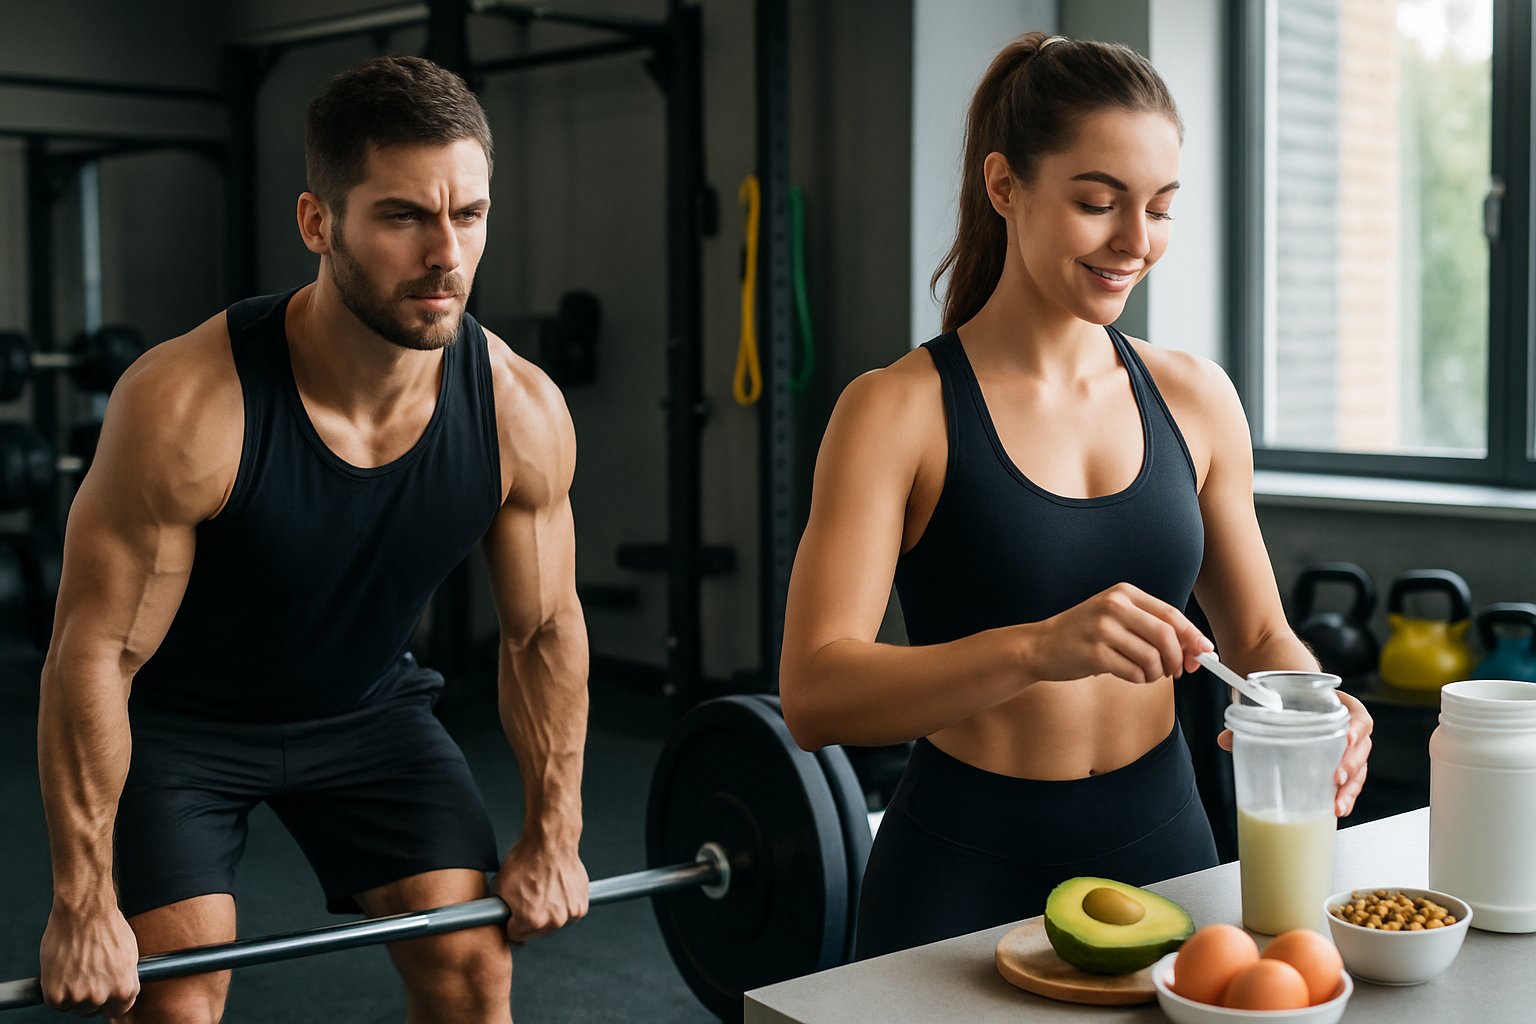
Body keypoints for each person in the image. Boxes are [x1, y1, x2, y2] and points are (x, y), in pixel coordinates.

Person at [777, 32, 1374, 960]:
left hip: (1166, 846)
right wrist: (1040, 647)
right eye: (1098, 203)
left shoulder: (1197, 398)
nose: (1136, 243)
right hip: (961, 868)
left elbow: (1257, 638)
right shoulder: (895, 412)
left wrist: (1314, 707)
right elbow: (815, 691)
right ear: (1005, 186)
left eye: (1161, 209)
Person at [35, 55, 589, 1021]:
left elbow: (541, 633)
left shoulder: (519, 410)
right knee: (173, 995)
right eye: (404, 215)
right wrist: (82, 901)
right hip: (184, 727)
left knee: (473, 970)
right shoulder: (188, 407)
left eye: (469, 215)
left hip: (366, 710)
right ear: (318, 223)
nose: (446, 255)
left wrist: (555, 832)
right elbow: (97, 652)